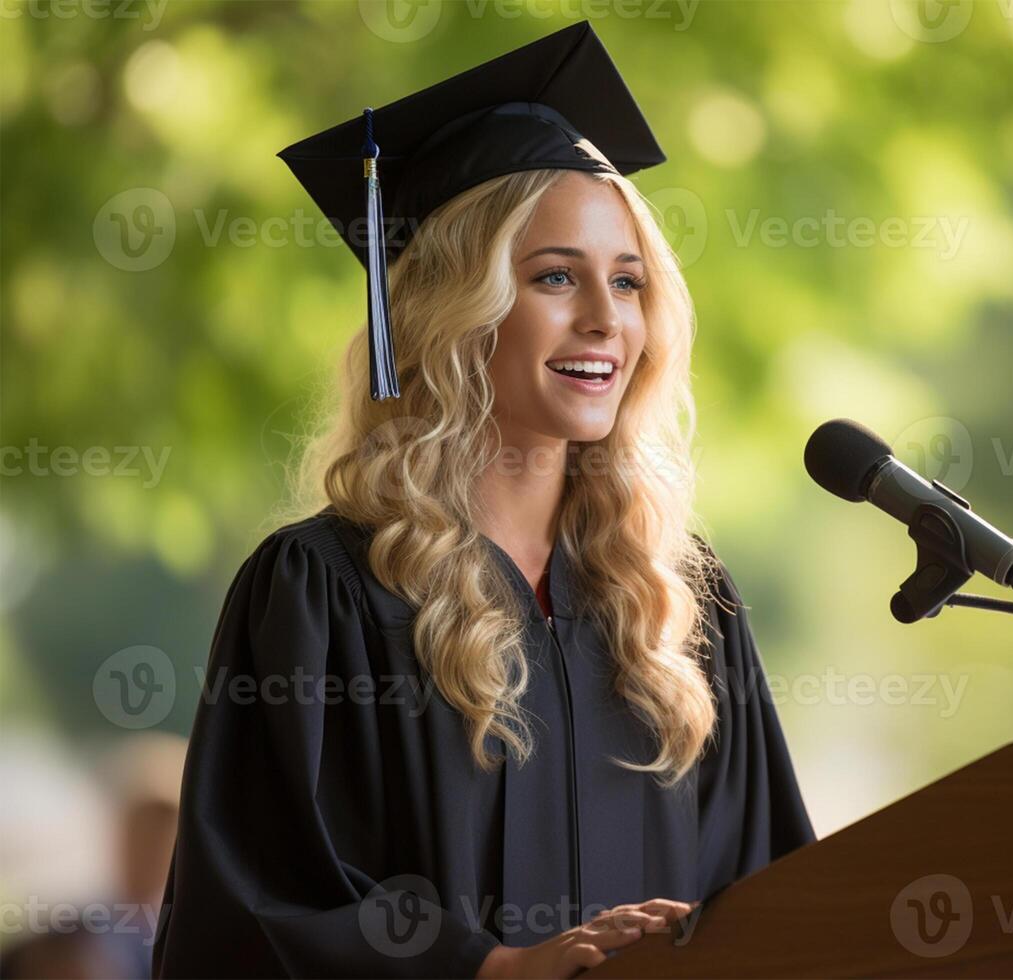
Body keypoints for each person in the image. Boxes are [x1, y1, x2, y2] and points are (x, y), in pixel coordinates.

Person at [152, 22, 815, 980]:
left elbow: (777, 896)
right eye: (555, 276)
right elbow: (253, 909)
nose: (605, 319)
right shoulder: (324, 591)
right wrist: (495, 969)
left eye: (628, 283)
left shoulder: (679, 606)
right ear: (454, 310)